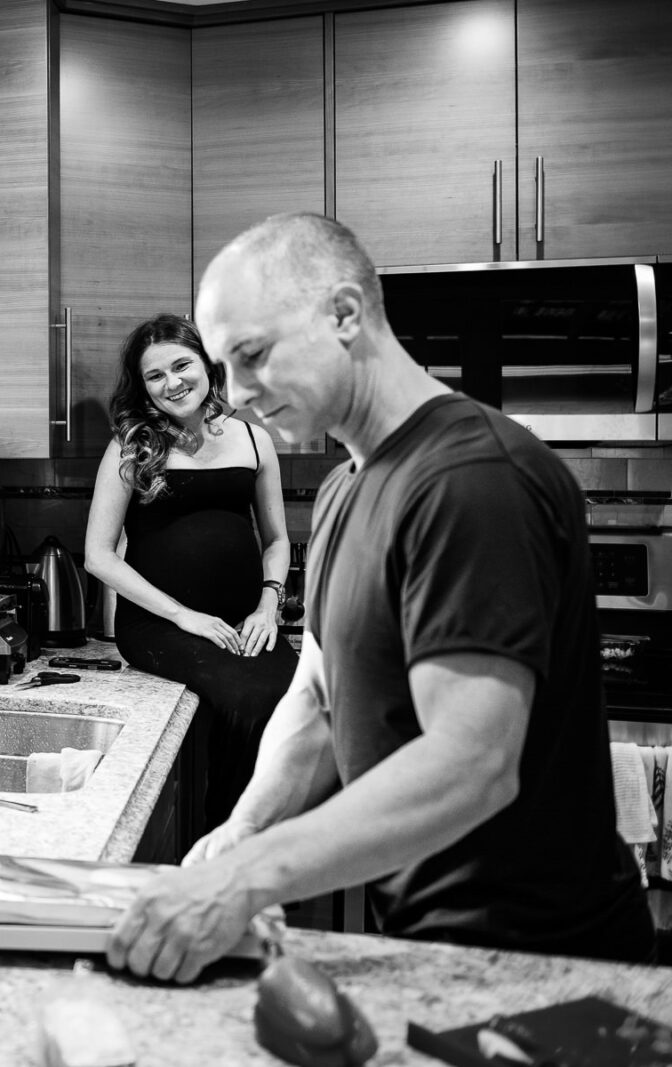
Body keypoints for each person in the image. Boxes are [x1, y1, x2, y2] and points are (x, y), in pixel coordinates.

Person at [106, 212, 653, 984]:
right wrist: (240, 834)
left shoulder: (473, 479)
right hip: (425, 945)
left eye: (252, 355)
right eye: (225, 368)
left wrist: (254, 873)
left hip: (540, 963)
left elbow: (472, 762)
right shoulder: (344, 488)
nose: (238, 393)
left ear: (344, 314)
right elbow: (317, 703)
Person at [85, 312, 298, 833]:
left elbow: (276, 540)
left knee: (291, 699)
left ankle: (268, 844)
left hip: (244, 620)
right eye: (155, 376)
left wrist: (268, 606)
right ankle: (224, 842)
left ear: (208, 366)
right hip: (160, 627)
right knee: (246, 702)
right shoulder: (130, 446)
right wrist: (185, 617)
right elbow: (99, 555)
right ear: (143, 388)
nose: (172, 382)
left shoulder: (253, 441)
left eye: (182, 365)